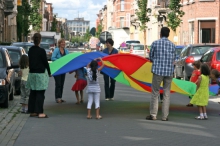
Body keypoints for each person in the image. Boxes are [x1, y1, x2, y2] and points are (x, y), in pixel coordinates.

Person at [146, 27, 176, 121]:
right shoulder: (172, 45)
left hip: (158, 71)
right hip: (168, 72)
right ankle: (164, 116)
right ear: (168, 34)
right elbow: (174, 59)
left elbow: (150, 57)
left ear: (160, 34)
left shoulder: (155, 43)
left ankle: (153, 114)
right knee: (166, 94)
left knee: (155, 92)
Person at [26, 33, 51, 118]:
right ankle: (40, 112)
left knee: (33, 93)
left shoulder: (30, 50)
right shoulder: (42, 51)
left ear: (33, 40)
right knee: (40, 93)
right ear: (40, 40)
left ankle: (32, 111)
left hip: (32, 74)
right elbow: (45, 63)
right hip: (40, 74)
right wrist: (49, 72)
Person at [51, 38, 69, 103]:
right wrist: (60, 60)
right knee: (58, 83)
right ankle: (57, 98)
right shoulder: (56, 50)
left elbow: (68, 58)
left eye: (64, 42)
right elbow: (52, 58)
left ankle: (60, 97)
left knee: (61, 84)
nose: (63, 43)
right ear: (59, 43)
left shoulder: (66, 51)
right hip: (57, 69)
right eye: (62, 42)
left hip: (63, 70)